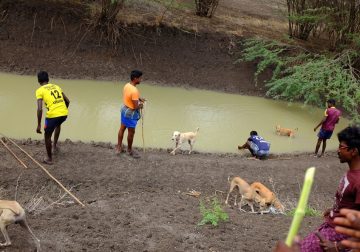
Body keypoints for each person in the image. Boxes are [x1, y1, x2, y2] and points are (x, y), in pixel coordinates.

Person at [300, 125, 360, 251]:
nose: (338, 151)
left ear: (353, 151)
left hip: (339, 234)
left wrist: (337, 247)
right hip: (331, 225)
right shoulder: (351, 172)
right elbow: (349, 203)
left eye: (341, 147)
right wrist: (334, 210)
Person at [35, 71, 70, 165]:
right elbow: (68, 101)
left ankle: (49, 159)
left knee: (47, 136)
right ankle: (54, 146)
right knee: (58, 124)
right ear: (48, 79)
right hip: (64, 114)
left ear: (39, 81)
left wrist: (38, 125)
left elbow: (39, 109)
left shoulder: (40, 90)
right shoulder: (56, 86)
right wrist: (63, 110)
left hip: (53, 115)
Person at [116, 70, 145, 159]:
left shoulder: (127, 85)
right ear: (135, 79)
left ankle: (119, 148)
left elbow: (130, 96)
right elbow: (136, 107)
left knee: (122, 129)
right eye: (140, 78)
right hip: (130, 114)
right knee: (131, 133)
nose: (141, 79)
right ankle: (129, 150)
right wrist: (141, 105)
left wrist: (139, 98)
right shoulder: (135, 91)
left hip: (124, 109)